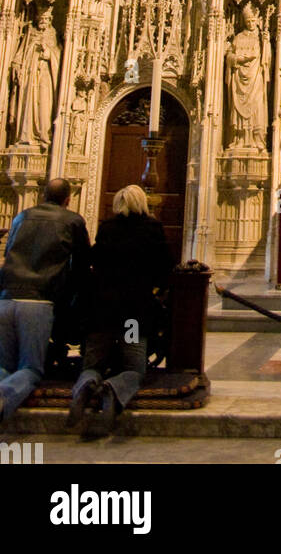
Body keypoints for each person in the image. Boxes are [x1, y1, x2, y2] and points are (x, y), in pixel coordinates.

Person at [68, 185, 173, 438]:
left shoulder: (107, 229)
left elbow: (93, 261)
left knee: (92, 363)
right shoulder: (152, 230)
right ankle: (113, 389)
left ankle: (85, 385)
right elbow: (165, 267)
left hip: (102, 312)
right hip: (132, 314)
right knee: (134, 368)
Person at [0, 178, 90, 428]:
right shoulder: (72, 220)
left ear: (42, 195)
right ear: (68, 199)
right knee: (30, 369)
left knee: (4, 365)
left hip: (5, 297)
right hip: (38, 301)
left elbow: (8, 253)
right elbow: (82, 268)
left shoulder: (21, 217)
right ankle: (4, 396)